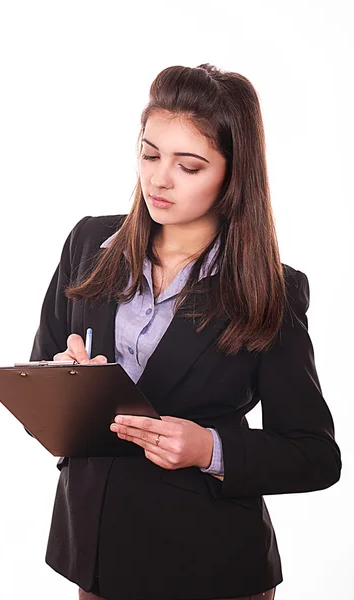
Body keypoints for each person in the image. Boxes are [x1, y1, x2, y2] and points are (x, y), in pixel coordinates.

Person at [29, 64, 342, 600]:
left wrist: (209, 449)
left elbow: (316, 454)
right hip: (97, 553)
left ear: (232, 174)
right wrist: (66, 382)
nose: (158, 179)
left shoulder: (270, 290)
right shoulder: (89, 243)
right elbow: (38, 379)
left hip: (211, 564)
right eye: (150, 154)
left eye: (188, 165)